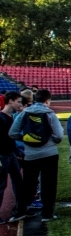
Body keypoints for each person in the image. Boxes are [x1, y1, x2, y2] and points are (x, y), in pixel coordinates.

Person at [9, 89, 64, 223]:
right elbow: (59, 136)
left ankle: (21, 210)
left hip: (30, 154)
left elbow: (13, 133)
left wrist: (26, 139)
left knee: (28, 184)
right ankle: (47, 213)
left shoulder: (24, 113)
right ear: (47, 100)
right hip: (49, 153)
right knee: (49, 184)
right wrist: (49, 140)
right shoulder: (50, 114)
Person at [0, 92, 24, 223]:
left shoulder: (11, 117)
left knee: (18, 181)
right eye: (18, 101)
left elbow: (11, 139)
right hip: (3, 155)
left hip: (11, 154)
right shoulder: (1, 118)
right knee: (1, 184)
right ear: (10, 101)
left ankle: (20, 208)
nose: (20, 104)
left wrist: (16, 152)